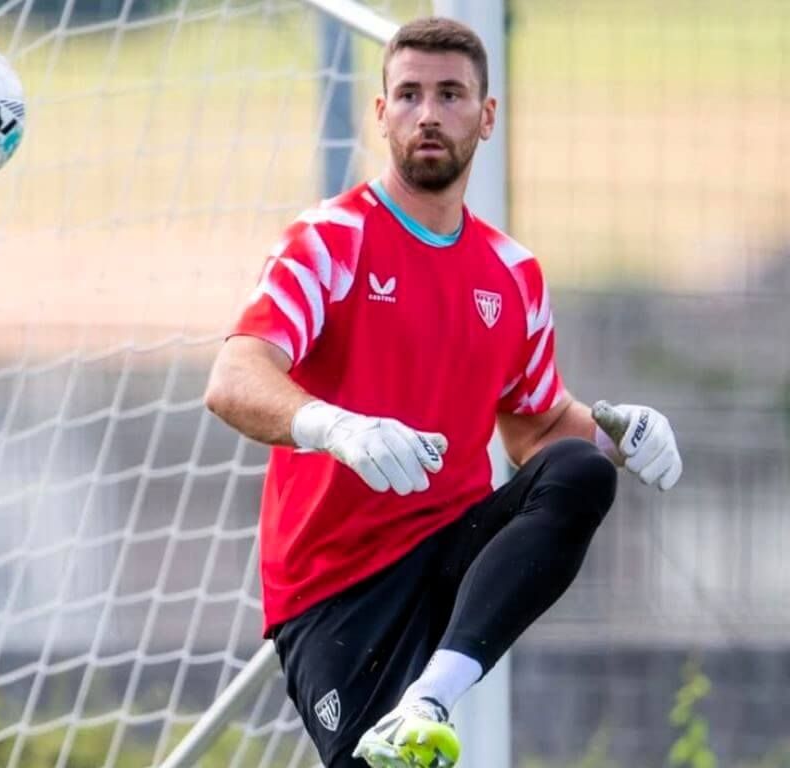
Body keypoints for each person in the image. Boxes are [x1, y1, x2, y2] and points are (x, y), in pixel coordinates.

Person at [204, 16, 682, 768]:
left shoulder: (513, 273)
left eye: (451, 94)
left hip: (457, 555)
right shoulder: (330, 240)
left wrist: (615, 434)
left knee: (580, 470)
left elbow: (536, 425)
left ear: (486, 116)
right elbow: (234, 377)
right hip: (339, 587)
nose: (428, 113)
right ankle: (405, 716)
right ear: (381, 112)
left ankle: (429, 697)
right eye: (410, 94)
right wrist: (337, 428)